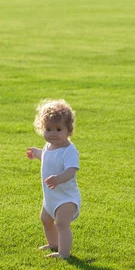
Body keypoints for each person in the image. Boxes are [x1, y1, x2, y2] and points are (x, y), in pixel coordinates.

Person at [26, 99, 81, 259]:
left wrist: (58, 179)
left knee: (62, 224)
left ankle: (64, 253)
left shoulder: (69, 151)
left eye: (58, 129)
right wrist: (37, 154)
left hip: (66, 198)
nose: (52, 133)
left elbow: (71, 170)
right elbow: (48, 158)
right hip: (51, 197)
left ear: (68, 130)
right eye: (48, 129)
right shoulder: (48, 146)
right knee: (45, 219)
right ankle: (53, 244)